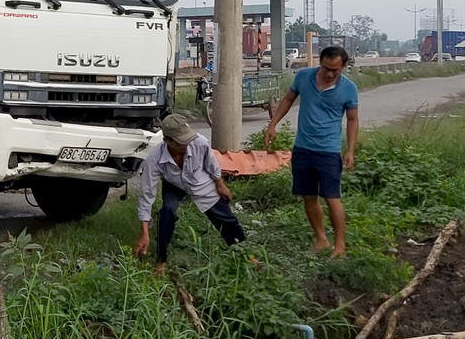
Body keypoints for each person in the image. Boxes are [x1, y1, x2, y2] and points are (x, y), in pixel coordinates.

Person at [264, 45, 359, 259]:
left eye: (335, 70)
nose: (329, 73)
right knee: (308, 196)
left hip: (328, 151)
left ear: (343, 67)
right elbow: (288, 99)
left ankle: (340, 245)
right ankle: (321, 239)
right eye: (326, 68)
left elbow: (353, 120)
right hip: (303, 148)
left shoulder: (349, 89)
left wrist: (350, 150)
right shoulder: (304, 77)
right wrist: (272, 125)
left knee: (332, 197)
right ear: (320, 63)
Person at [133, 113, 245, 274]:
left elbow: (211, 164)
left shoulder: (199, 143)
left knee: (226, 218)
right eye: (181, 142)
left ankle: (245, 253)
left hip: (199, 180)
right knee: (167, 212)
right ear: (167, 140)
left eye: (188, 138)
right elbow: (147, 195)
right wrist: (144, 232)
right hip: (173, 184)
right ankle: (161, 261)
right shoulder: (154, 160)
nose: (187, 144)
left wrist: (220, 184)